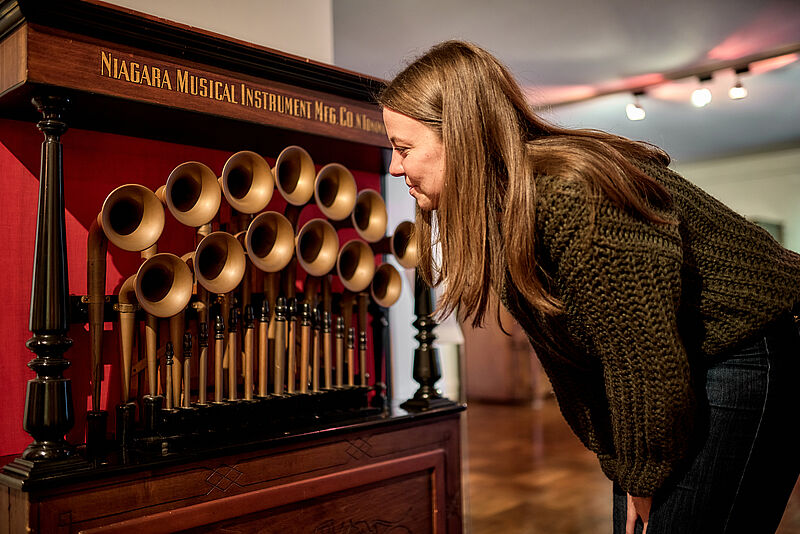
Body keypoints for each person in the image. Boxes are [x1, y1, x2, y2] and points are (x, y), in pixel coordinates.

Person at [379, 40, 800, 534]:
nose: (394, 168)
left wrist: (641, 476)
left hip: (750, 350)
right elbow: (577, 363)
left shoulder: (573, 193)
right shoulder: (509, 210)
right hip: (688, 359)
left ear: (464, 137)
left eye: (404, 149)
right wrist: (621, 465)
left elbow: (641, 358)